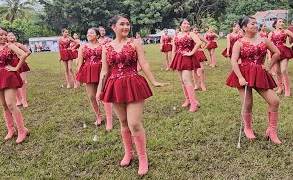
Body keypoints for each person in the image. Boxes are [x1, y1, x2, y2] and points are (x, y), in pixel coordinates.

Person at [97, 14, 168, 176]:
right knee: (123, 122)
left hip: (133, 82)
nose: (126, 27)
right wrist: (100, 89)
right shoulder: (106, 47)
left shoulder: (135, 42)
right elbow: (104, 70)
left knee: (134, 123)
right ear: (113, 27)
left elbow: (143, 63)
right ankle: (129, 152)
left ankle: (143, 158)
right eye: (122, 24)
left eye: (128, 24)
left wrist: (154, 81)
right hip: (114, 85)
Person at [226, 17, 281, 144]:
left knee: (274, 101)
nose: (256, 25)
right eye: (252, 24)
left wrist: (269, 66)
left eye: (256, 23)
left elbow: (277, 53)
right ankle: (248, 128)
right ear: (244, 27)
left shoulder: (264, 39)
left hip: (260, 74)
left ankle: (272, 131)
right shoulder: (239, 42)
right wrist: (239, 77)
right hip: (244, 73)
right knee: (248, 103)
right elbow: (233, 61)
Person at [0, 27, 29, 143]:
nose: (4, 37)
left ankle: (22, 130)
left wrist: (16, 68)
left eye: (5, 35)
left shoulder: (9, 46)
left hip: (9, 76)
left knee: (11, 104)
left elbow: (23, 54)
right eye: (1, 34)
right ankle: (11, 129)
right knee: (4, 106)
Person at [76, 28, 113, 130]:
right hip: (88, 72)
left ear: (97, 35)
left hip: (101, 70)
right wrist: (78, 77)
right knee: (92, 96)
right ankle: (99, 116)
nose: (89, 34)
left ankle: (109, 120)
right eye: (87, 33)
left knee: (103, 95)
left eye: (91, 33)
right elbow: (80, 62)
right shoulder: (83, 47)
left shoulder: (103, 46)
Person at [170, 19, 202, 112]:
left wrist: (191, 52)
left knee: (186, 79)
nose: (187, 25)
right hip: (178, 58)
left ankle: (193, 103)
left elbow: (199, 42)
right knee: (182, 81)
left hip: (187, 57)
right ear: (180, 25)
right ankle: (188, 100)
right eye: (184, 23)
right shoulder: (176, 35)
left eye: (188, 23)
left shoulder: (191, 34)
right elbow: (173, 49)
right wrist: (172, 62)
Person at [269, 18, 293, 97]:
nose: (282, 23)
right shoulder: (271, 33)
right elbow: (268, 45)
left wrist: (290, 46)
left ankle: (287, 89)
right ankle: (280, 87)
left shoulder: (286, 31)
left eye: (283, 22)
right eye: (280, 22)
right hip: (275, 52)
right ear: (275, 24)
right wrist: (269, 55)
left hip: (284, 52)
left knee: (284, 69)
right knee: (277, 71)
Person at [7, 32, 32, 108]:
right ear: (6, 38)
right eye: (9, 35)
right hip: (11, 65)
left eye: (12, 35)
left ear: (15, 37)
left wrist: (22, 58)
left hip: (20, 63)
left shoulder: (18, 45)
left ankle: (24, 99)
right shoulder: (6, 46)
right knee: (14, 82)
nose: (11, 36)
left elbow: (28, 51)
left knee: (23, 81)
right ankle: (18, 99)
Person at [192, 25, 209, 91]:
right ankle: (196, 84)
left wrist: (203, 49)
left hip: (199, 53)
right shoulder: (191, 36)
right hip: (193, 53)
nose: (196, 31)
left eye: (197, 30)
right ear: (192, 31)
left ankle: (202, 84)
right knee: (194, 70)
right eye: (195, 30)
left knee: (202, 70)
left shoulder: (199, 36)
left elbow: (207, 42)